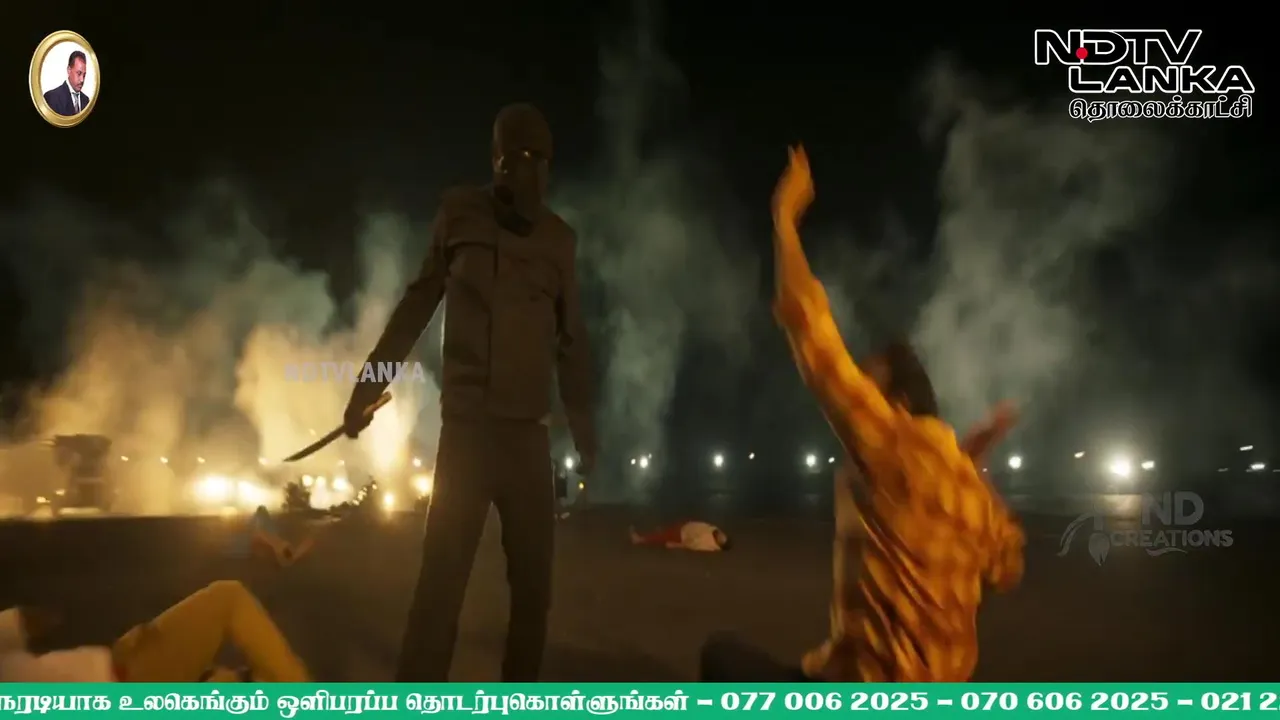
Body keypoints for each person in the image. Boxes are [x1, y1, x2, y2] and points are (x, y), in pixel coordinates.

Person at [701, 146, 1025, 683]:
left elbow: (810, 329)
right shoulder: (970, 494)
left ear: (898, 404)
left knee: (720, 657)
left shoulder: (893, 444)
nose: (861, 407)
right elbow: (1006, 566)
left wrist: (784, 219)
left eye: (871, 389)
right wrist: (969, 466)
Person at [343, 103, 597, 682]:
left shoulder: (559, 240)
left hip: (527, 440)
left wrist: (584, 426)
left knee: (533, 594)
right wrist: (366, 390)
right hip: (467, 436)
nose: (527, 171)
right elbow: (416, 306)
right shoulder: (459, 214)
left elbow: (572, 340)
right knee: (439, 588)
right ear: (496, 160)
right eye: (516, 158)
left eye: (538, 160)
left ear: (549, 167)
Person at [0, 580, 310, 681]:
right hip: (123, 678)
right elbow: (32, 619)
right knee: (227, 598)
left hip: (121, 670)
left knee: (229, 680)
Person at [42, 50, 90, 117]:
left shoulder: (86, 101)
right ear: (69, 70)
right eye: (79, 73)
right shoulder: (51, 98)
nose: (82, 80)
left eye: (84, 75)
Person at [629, 521, 731, 551]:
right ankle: (654, 534)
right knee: (663, 534)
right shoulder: (715, 531)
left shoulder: (707, 542)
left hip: (681, 534)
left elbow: (692, 545)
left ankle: (639, 539)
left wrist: (676, 545)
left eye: (722, 538)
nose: (721, 535)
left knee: (661, 537)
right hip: (685, 527)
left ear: (720, 543)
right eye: (723, 535)